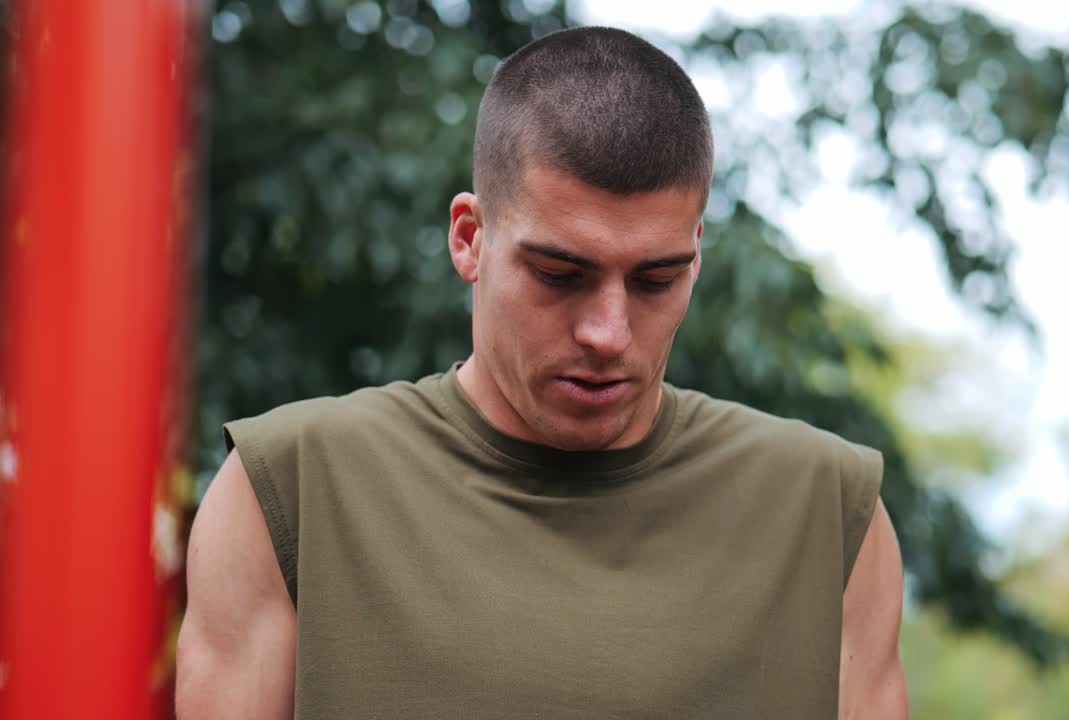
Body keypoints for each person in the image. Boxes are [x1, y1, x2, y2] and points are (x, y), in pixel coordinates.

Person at [176, 25, 906, 719]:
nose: (608, 334)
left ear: (695, 255)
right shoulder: (290, 490)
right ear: (470, 238)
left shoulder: (827, 514)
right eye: (559, 274)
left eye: (656, 280)